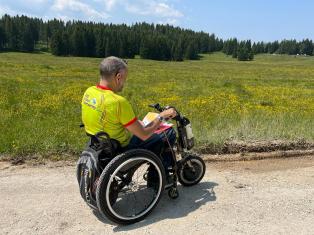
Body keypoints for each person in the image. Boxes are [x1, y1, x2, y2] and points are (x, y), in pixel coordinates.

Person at [81, 56, 177, 179]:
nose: (124, 83)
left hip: (99, 146)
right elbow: (143, 135)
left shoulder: (89, 92)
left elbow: (106, 118)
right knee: (167, 134)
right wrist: (161, 117)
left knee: (149, 130)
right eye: (124, 79)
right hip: (120, 151)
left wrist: (137, 123)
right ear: (118, 77)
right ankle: (157, 178)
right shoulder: (118, 102)